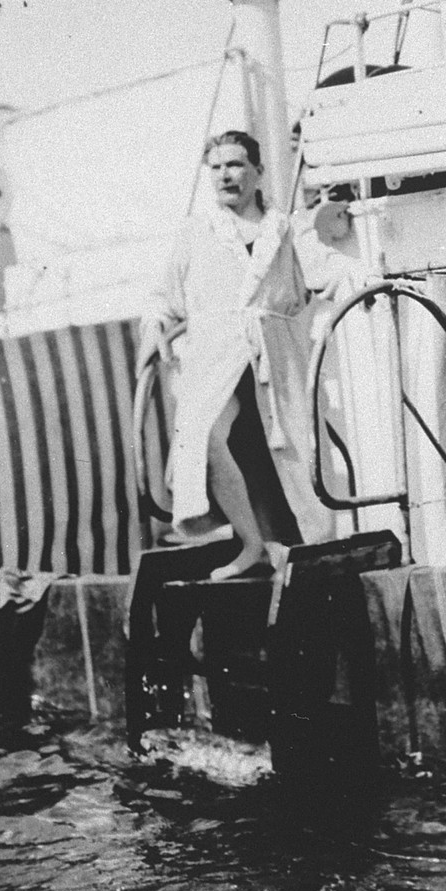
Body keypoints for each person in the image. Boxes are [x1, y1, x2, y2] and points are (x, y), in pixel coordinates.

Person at [137, 129, 338, 580]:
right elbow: (162, 297)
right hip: (216, 355)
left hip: (274, 355)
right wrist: (154, 329)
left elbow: (322, 272)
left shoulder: (283, 228)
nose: (226, 175)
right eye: (217, 167)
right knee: (207, 438)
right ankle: (252, 544)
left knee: (291, 452)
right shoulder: (195, 232)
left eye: (235, 165)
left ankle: (306, 545)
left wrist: (362, 279)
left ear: (258, 172)